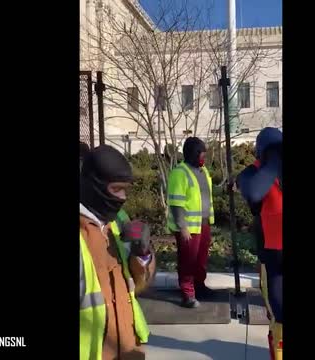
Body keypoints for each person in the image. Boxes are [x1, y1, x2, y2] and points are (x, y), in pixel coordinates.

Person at [79, 145, 156, 360]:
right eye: (116, 189)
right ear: (94, 186)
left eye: (126, 190)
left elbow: (138, 285)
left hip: (127, 349)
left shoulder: (116, 223)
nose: (123, 198)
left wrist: (143, 254)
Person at [236, 127, 283, 360]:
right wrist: (273, 163)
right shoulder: (251, 174)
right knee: (279, 316)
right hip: (272, 257)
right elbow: (253, 193)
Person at [166, 137, 215, 308]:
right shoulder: (179, 173)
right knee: (188, 260)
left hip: (203, 223)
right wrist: (182, 227)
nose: (204, 157)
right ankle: (188, 293)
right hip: (188, 226)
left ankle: (199, 286)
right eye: (202, 153)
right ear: (194, 154)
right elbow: (176, 203)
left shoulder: (203, 171)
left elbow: (206, 195)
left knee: (201, 259)